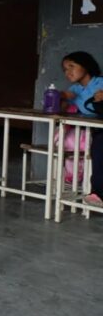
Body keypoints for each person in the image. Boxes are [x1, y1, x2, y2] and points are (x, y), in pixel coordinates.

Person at [60, 51, 103, 206]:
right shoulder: (76, 89)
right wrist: (58, 96)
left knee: (100, 148)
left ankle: (99, 193)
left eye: (72, 66)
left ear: (86, 65)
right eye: (65, 69)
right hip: (94, 130)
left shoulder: (100, 82)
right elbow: (67, 95)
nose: (68, 71)